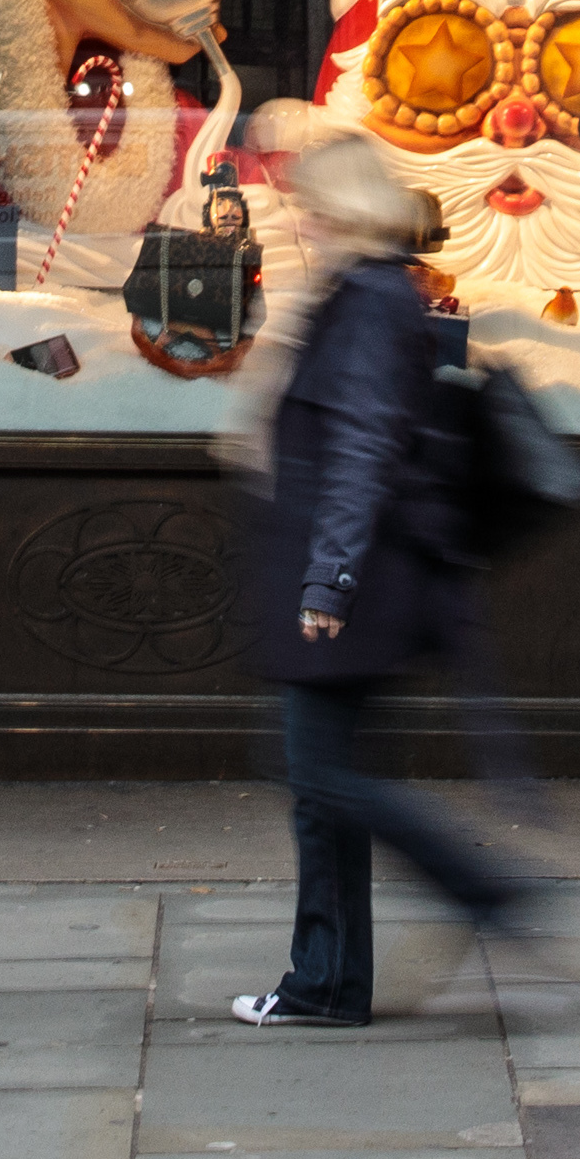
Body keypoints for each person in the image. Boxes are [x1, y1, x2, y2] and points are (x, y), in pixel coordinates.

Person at [228, 129, 541, 1027]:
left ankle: (492, 898)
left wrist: (328, 585)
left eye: (310, 203)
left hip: (350, 583)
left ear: (346, 207)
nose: (300, 218)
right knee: (321, 785)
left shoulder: (370, 302)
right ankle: (324, 985)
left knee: (325, 781)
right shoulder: (356, 293)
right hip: (339, 574)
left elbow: (365, 450)